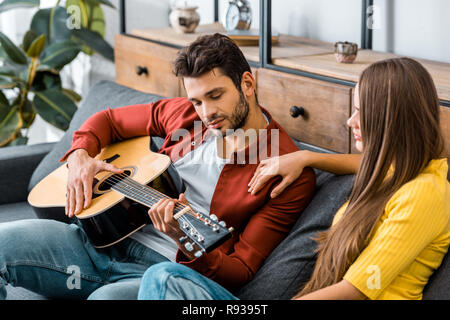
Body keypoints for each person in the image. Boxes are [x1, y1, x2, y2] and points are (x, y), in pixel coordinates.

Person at [0, 33, 316, 300]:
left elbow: (242, 269)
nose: (207, 112)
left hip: (160, 271)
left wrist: (186, 240)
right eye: (197, 100)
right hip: (99, 240)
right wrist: (79, 155)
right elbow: (108, 121)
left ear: (248, 83)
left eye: (215, 96)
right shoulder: (186, 116)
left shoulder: (286, 172)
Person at [137, 57, 449, 300]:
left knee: (164, 278)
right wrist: (306, 156)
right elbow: (371, 162)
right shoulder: (398, 170)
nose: (349, 121)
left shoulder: (425, 193)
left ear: (390, 118)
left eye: (360, 110)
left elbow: (357, 289)